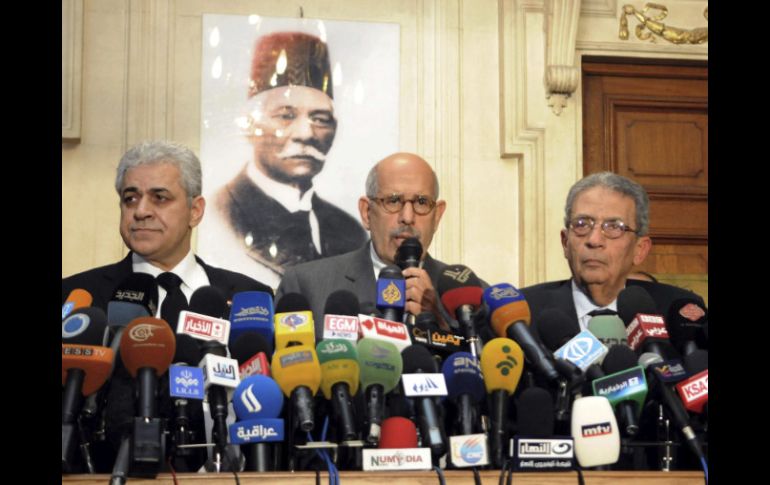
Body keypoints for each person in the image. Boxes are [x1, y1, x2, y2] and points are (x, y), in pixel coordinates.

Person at [61, 140, 273, 472]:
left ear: (195, 210)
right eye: (130, 198)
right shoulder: (77, 296)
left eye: (160, 197)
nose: (141, 210)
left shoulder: (251, 297)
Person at [208, 32, 367, 288]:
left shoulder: (350, 230)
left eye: (320, 119)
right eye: (285, 116)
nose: (306, 134)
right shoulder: (216, 215)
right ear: (250, 126)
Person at [276, 152, 463, 336]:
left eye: (421, 202)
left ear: (437, 216)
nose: (407, 217)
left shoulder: (469, 299)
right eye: (394, 200)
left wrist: (440, 324)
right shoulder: (305, 286)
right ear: (367, 213)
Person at [520, 171, 704, 335]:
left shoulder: (677, 311)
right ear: (565, 242)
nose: (594, 240)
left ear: (639, 250)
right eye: (582, 224)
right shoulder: (522, 314)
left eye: (614, 227)